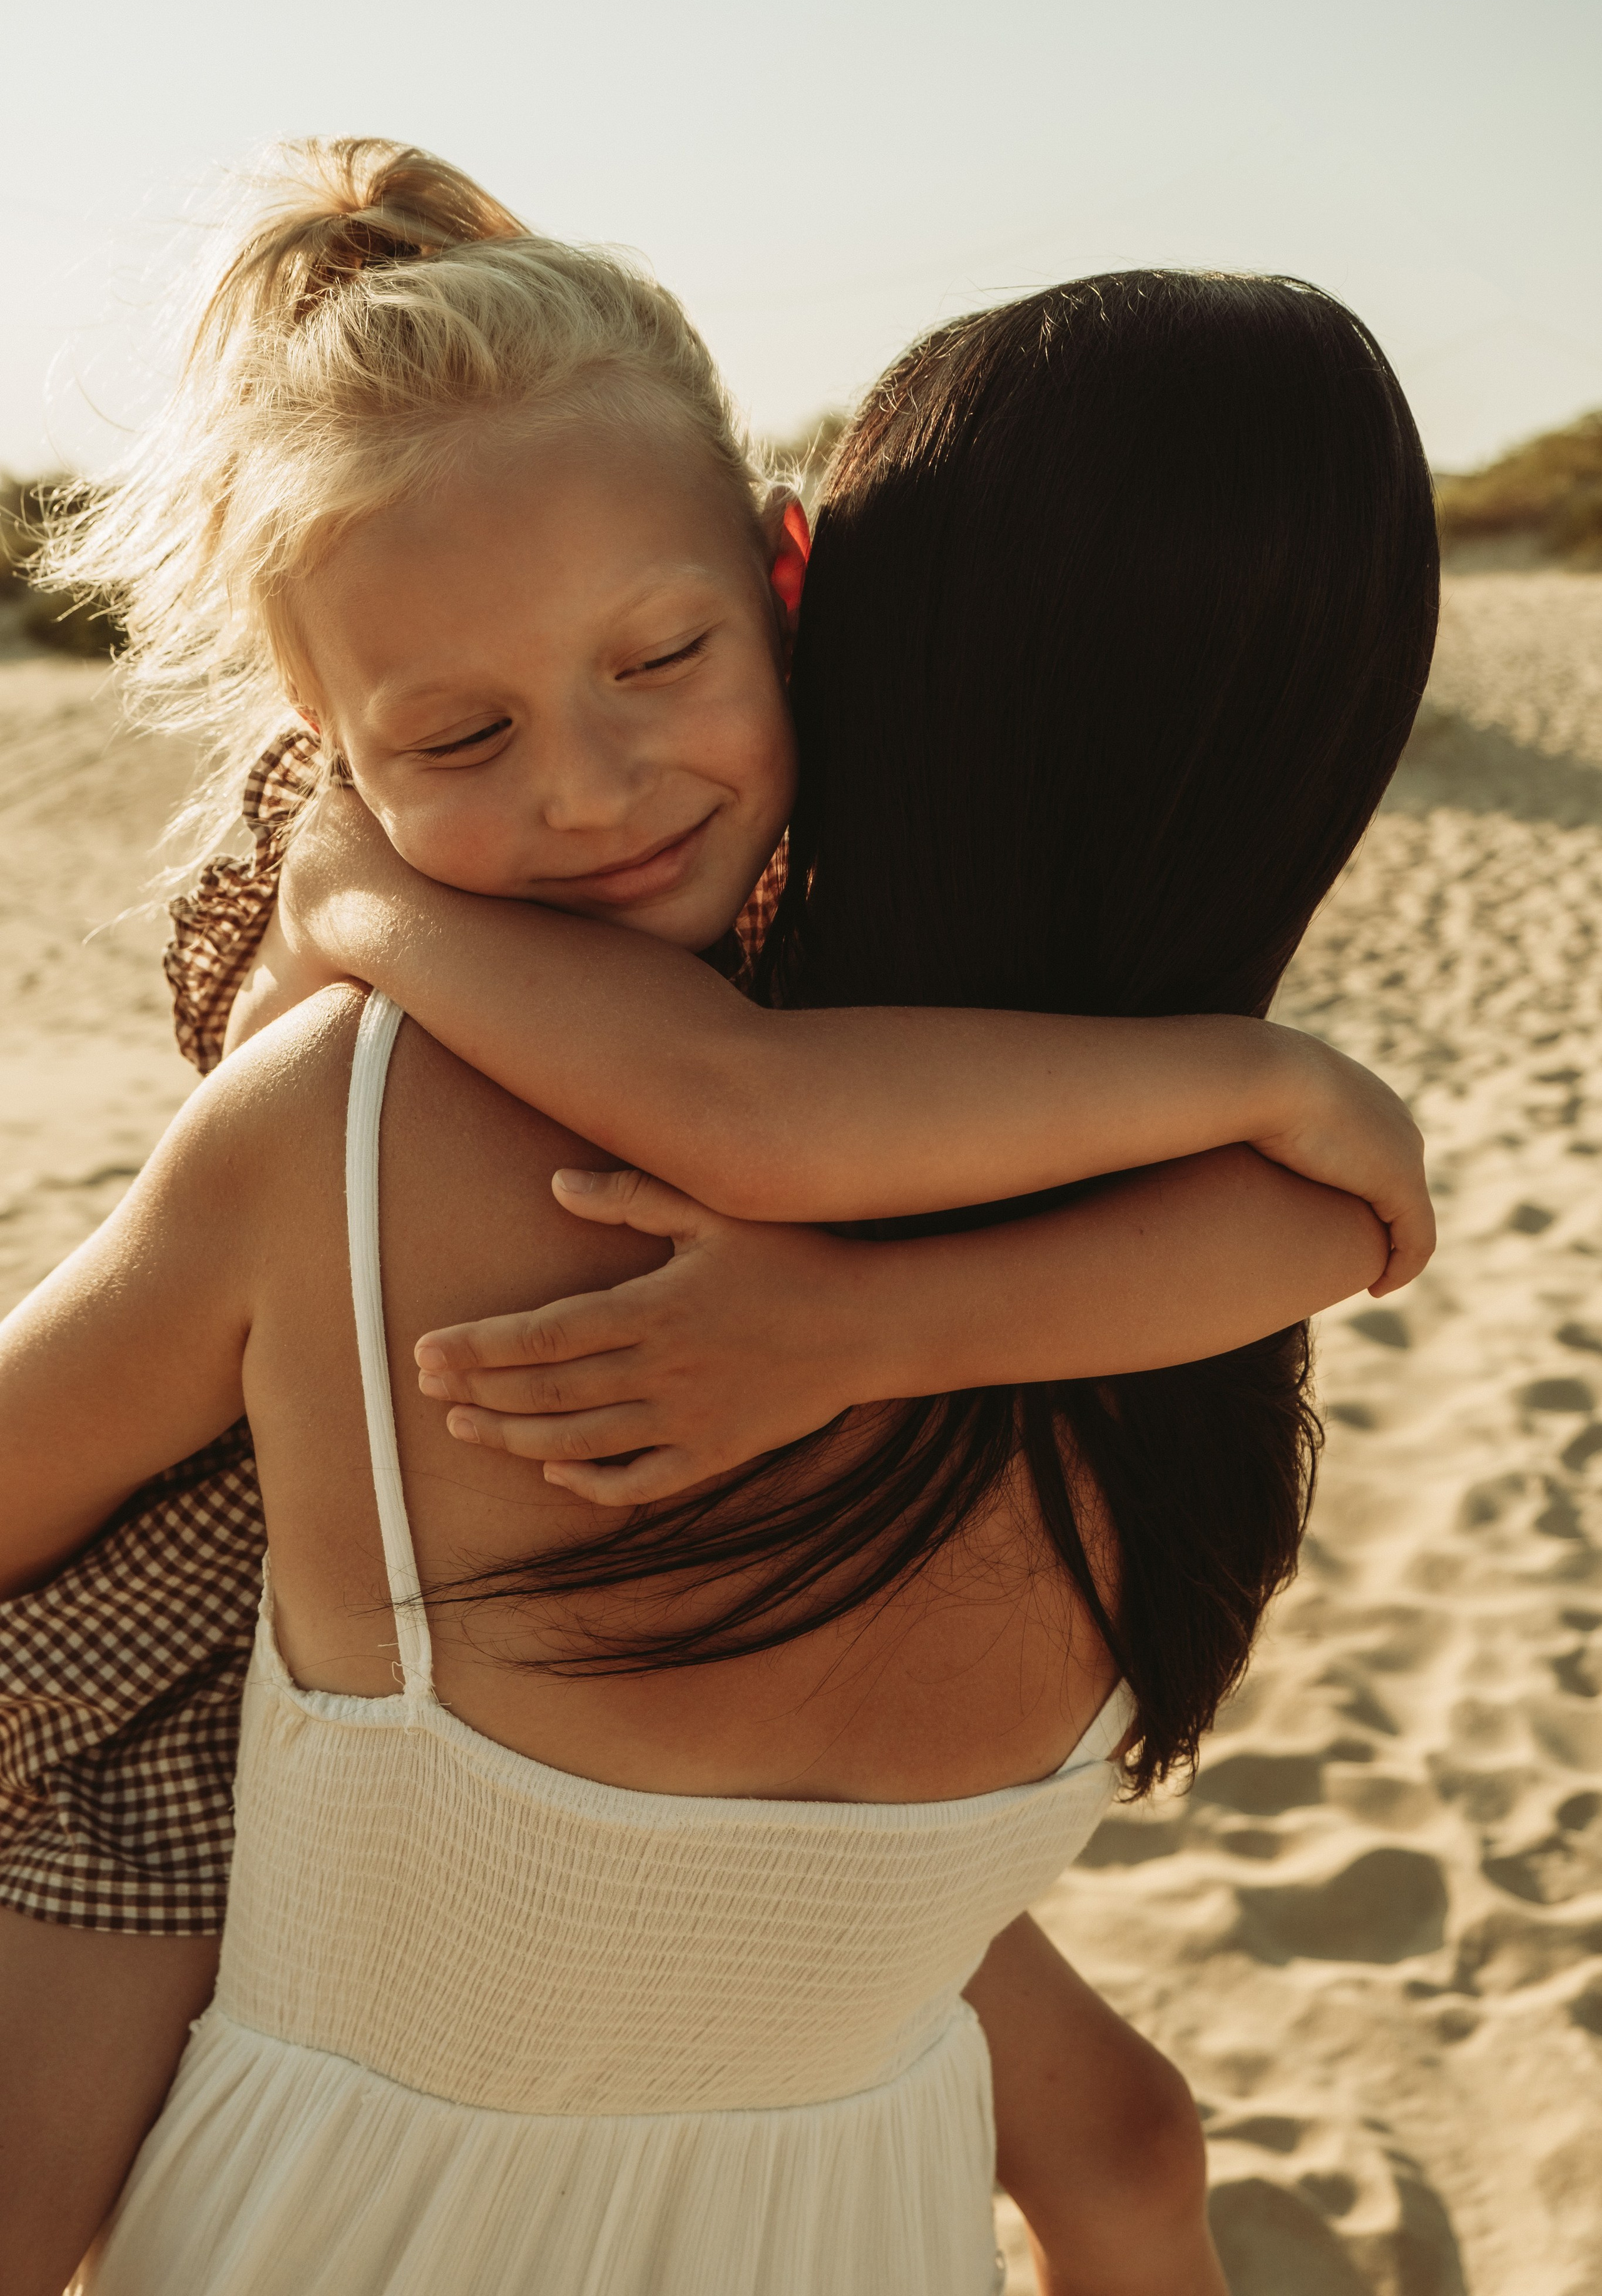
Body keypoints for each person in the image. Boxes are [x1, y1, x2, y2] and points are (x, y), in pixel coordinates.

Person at [0, 143, 1432, 2293]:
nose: (583, 792)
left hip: (464, 1820)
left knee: (1127, 2134)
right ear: (332, 743)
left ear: (789, 587)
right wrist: (1263, 1083)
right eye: (455, 735)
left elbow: (1308, 1229)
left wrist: (883, 1317)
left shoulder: (819, 990)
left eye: (662, 656)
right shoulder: (390, 946)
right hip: (148, 1680)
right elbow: (745, 1120)